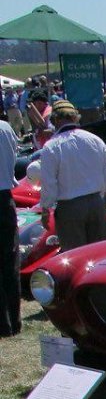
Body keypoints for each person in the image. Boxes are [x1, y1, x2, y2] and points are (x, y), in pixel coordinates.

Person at [37, 100, 106, 254]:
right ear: (75, 118)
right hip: (96, 203)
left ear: (55, 120)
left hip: (69, 208)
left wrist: (46, 208)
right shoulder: (94, 139)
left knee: (75, 256)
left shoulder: (51, 146)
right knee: (101, 254)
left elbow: (49, 184)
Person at [0, 117, 18, 337]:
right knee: (10, 259)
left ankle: (3, 322)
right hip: (5, 197)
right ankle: (14, 319)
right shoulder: (6, 127)